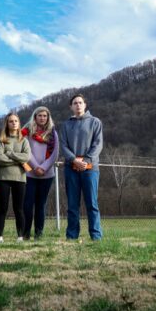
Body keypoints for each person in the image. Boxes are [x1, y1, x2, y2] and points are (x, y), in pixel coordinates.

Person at [58, 94, 103, 241]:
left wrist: (86, 160)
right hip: (71, 168)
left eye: (80, 102)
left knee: (92, 203)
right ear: (71, 107)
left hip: (90, 168)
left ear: (85, 105)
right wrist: (74, 160)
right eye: (75, 103)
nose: (78, 105)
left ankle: (96, 236)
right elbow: (63, 145)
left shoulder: (95, 122)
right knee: (72, 205)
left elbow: (98, 144)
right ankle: (71, 236)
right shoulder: (66, 125)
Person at [22, 106, 59, 240]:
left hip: (47, 175)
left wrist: (43, 168)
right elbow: (26, 152)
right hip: (29, 174)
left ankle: (39, 234)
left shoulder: (53, 133)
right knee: (27, 204)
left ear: (48, 118)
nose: (42, 118)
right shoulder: (26, 132)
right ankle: (25, 234)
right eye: (40, 115)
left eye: (45, 116)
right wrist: (36, 167)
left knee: (40, 205)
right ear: (35, 117)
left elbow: (55, 153)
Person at [0, 113, 31, 243]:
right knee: (2, 208)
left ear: (19, 123)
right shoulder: (1, 140)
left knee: (19, 208)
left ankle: (20, 236)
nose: (14, 123)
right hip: (2, 177)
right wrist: (16, 160)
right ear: (7, 123)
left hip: (19, 178)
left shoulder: (24, 140)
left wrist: (10, 154)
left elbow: (26, 157)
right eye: (11, 121)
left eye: (16, 121)